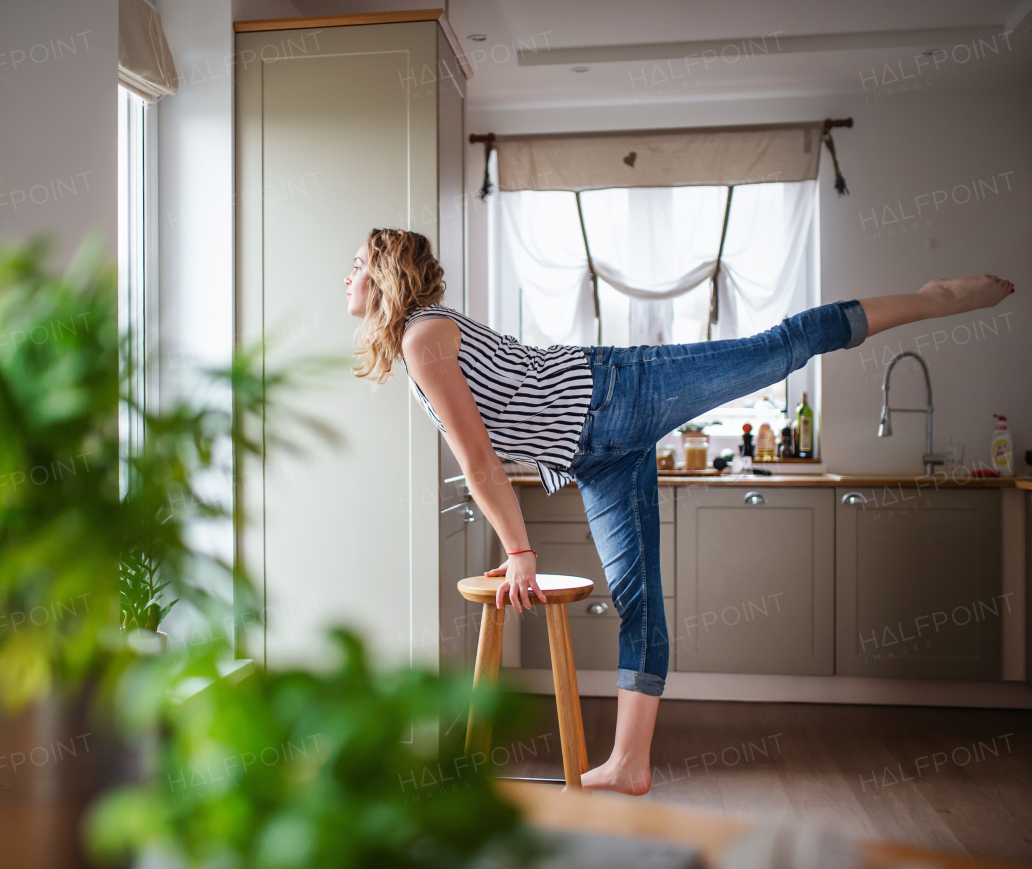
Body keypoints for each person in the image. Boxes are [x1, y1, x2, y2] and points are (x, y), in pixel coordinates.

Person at [344, 227, 1015, 795]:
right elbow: (504, 429)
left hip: (621, 391)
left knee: (776, 347)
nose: (347, 278)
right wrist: (512, 543)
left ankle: (933, 299)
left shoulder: (422, 337)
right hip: (596, 455)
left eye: (355, 268)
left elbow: (480, 458)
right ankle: (630, 761)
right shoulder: (422, 342)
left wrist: (520, 551)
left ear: (381, 277)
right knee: (639, 598)